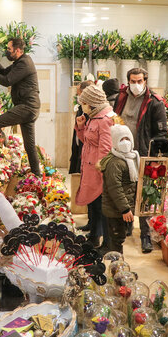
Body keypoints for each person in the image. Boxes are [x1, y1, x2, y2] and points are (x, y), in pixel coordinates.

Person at [113, 67, 168, 253]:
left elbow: (162, 133)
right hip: (122, 154)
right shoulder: (121, 98)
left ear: (145, 81)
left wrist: (154, 157)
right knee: (125, 190)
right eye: (133, 81)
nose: (136, 85)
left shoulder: (154, 102)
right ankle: (126, 226)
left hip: (144, 154)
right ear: (128, 81)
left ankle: (146, 235)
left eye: (140, 81)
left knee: (146, 195)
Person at [0, 37, 42, 177]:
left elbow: (7, 80)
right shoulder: (19, 62)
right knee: (29, 146)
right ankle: (37, 176)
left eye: (9, 49)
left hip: (27, 106)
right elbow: (4, 73)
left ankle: (4, 156)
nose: (7, 52)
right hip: (29, 108)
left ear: (18, 50)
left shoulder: (24, 63)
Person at [75, 85, 115, 250]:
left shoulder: (105, 119)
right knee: (93, 204)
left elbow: (106, 149)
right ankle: (93, 238)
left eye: (84, 102)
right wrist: (81, 127)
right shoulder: (93, 116)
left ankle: (106, 243)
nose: (82, 105)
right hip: (89, 167)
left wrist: (101, 171)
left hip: (98, 170)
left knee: (101, 207)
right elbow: (88, 141)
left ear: (91, 103)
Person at [99, 125, 137, 254]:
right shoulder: (115, 163)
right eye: (121, 139)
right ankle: (116, 266)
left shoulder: (131, 158)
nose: (125, 142)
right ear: (115, 142)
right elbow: (115, 188)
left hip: (122, 208)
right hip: (115, 209)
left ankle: (117, 262)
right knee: (116, 239)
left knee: (119, 237)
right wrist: (125, 209)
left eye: (127, 138)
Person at [70, 80, 95, 231]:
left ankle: (95, 227)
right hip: (84, 152)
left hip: (93, 158)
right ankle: (91, 222)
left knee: (94, 195)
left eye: (80, 94)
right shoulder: (83, 108)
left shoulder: (97, 114)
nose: (79, 98)